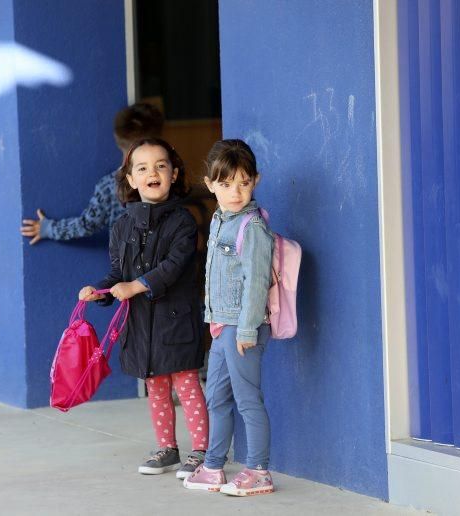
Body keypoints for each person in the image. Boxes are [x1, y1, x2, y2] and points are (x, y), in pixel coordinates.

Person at [78, 138, 209, 479]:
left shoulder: (182, 221)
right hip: (141, 324)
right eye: (142, 168)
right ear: (131, 179)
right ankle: (167, 448)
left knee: (187, 384)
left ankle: (201, 452)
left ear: (174, 174)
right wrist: (101, 291)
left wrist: (135, 286)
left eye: (161, 166)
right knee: (156, 388)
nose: (153, 172)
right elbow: (118, 273)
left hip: (176, 321)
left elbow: (173, 266)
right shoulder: (122, 226)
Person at [183, 139, 275, 496]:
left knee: (248, 399)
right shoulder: (220, 219)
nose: (235, 192)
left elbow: (255, 283)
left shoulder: (251, 227)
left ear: (256, 180)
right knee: (216, 397)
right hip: (220, 324)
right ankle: (214, 465)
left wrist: (247, 329)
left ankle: (258, 470)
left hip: (242, 326)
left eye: (243, 183)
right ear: (209, 184)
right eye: (225, 184)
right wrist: (213, 321)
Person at [20, 103, 164, 244]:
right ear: (158, 142)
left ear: (118, 139)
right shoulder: (168, 180)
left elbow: (86, 226)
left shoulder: (109, 186)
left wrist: (48, 229)